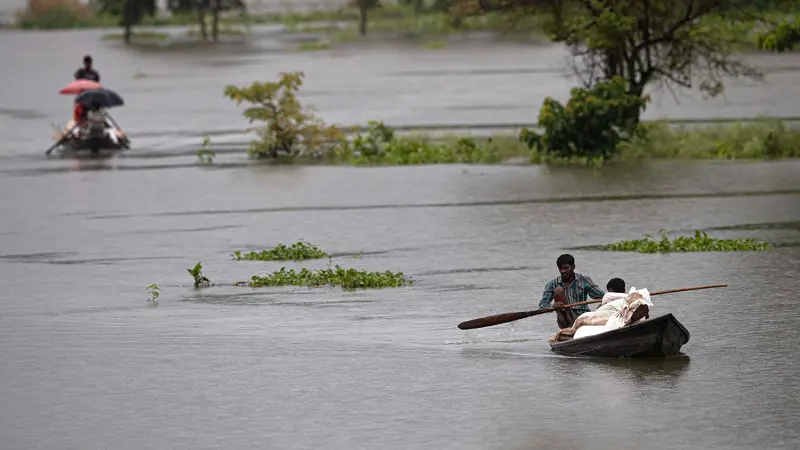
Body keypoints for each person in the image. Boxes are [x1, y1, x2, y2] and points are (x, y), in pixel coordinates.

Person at [539, 254, 606, 329]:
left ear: (573, 267)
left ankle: (574, 327)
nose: (563, 271)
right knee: (558, 290)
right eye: (560, 269)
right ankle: (570, 326)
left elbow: (602, 296)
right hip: (564, 319)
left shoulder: (584, 280)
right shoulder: (553, 283)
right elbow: (543, 304)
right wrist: (553, 306)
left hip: (582, 316)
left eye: (566, 268)